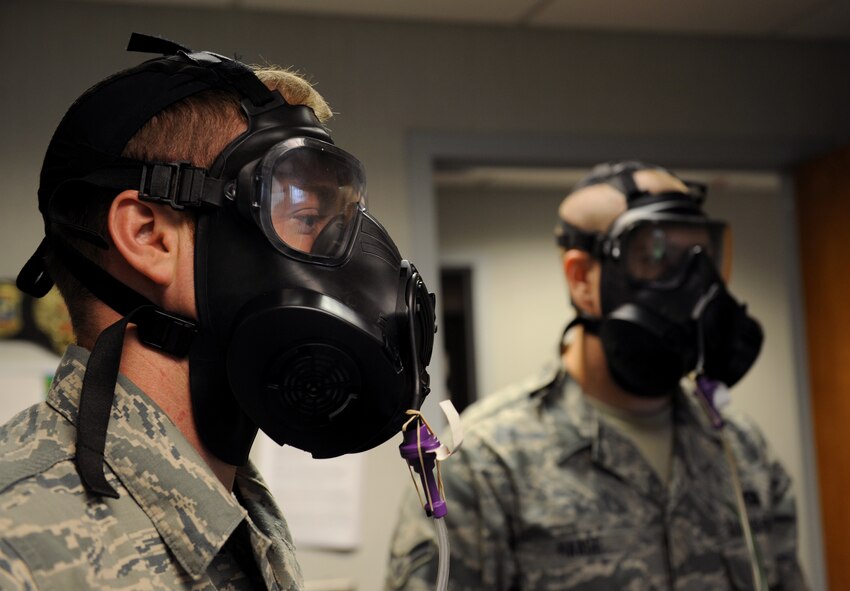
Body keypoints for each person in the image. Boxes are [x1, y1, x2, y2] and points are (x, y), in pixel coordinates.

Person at [0, 33, 435, 590]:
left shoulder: (241, 509)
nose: (340, 262)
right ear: (149, 236)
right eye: (304, 219)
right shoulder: (20, 547)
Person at [385, 161, 808, 590]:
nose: (694, 286)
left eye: (702, 259)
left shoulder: (741, 451)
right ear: (582, 278)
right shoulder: (484, 464)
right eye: (656, 257)